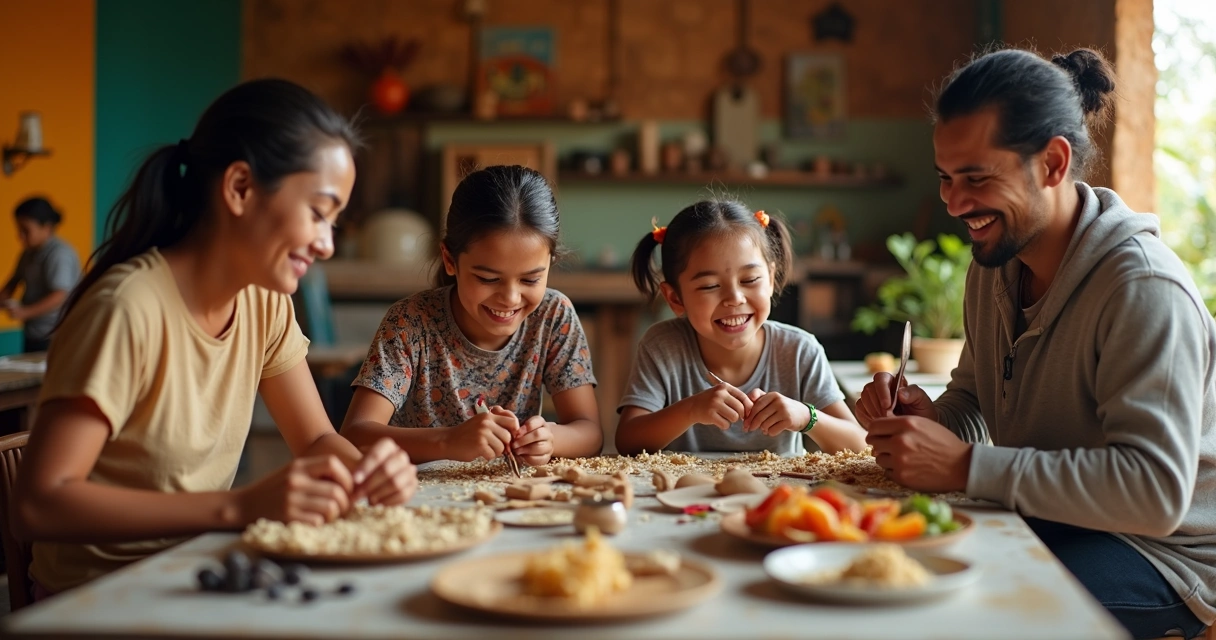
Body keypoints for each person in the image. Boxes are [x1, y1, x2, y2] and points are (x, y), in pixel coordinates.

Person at [855, 48, 1215, 639]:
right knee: (887, 566)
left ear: (1052, 163)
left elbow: (1154, 493)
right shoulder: (996, 263)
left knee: (970, 616)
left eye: (977, 178)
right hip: (1050, 515)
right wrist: (932, 420)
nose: (954, 203)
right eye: (946, 177)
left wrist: (964, 465)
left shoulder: (1143, 288)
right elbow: (974, 400)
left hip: (1163, 552)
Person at [13, 78, 418, 598]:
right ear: (240, 188)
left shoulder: (264, 301)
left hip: (197, 575)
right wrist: (239, 507)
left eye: (334, 223)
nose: (326, 245)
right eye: (318, 213)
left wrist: (369, 472)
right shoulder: (127, 308)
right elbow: (38, 505)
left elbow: (317, 440)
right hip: (100, 600)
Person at [341, 165, 601, 466]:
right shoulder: (410, 322)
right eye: (488, 279)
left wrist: (550, 439)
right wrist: (448, 442)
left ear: (550, 263)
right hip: (417, 489)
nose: (510, 298)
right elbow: (355, 435)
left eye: (530, 279)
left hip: (509, 492)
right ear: (450, 260)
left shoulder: (553, 316)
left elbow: (590, 432)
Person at [615, 200, 866, 456]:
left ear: (770, 279)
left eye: (750, 279)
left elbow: (860, 446)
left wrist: (806, 417)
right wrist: (690, 410)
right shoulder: (662, 346)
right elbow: (627, 442)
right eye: (710, 286)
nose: (734, 298)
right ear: (675, 298)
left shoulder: (800, 351)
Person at [1, 197, 81, 352]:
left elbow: (60, 295)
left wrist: (25, 312)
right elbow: (13, 282)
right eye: (19, 229)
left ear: (46, 227)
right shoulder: (27, 254)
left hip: (57, 335)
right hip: (34, 333)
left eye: (26, 230)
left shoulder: (59, 254)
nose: (20, 236)